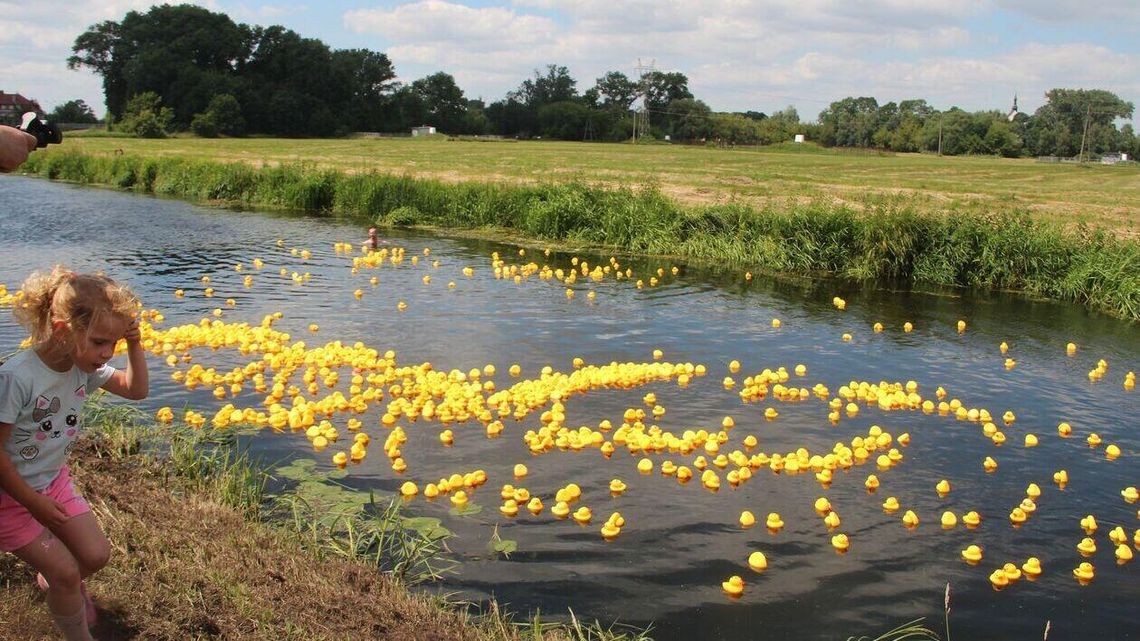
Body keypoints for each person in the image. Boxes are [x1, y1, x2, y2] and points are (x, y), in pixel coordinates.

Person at [0, 266, 148, 640]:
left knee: (95, 556)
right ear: (64, 330)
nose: (106, 353)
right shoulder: (18, 377)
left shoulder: (83, 368)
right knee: (67, 571)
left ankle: (55, 582)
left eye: (113, 343)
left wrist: (134, 344)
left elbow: (135, 390)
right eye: (100, 342)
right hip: (8, 496)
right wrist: (32, 502)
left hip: (51, 483)